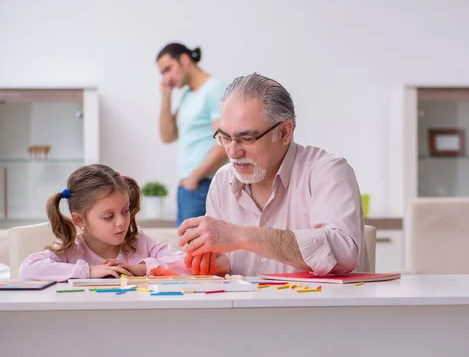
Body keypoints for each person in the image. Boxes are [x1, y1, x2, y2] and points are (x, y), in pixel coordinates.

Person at [177, 73, 369, 277]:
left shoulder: (327, 172)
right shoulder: (223, 180)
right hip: (247, 309)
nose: (232, 152)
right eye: (225, 137)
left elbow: (343, 252)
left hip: (318, 308)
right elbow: (227, 271)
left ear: (284, 132)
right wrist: (220, 267)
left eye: (247, 138)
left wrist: (241, 235)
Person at [19, 164, 192, 281]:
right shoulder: (71, 250)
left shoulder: (140, 243)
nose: (121, 222)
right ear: (79, 220)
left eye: (125, 211)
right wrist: (88, 271)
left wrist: (141, 268)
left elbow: (188, 264)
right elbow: (27, 269)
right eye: (108, 216)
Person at [156, 43, 229, 227]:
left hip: (204, 183)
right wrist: (166, 96)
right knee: (187, 251)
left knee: (196, 250)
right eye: (163, 74)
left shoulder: (214, 89)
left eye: (168, 69)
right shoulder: (188, 95)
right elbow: (167, 136)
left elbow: (225, 141)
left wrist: (195, 178)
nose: (167, 78)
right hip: (189, 186)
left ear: (185, 60)